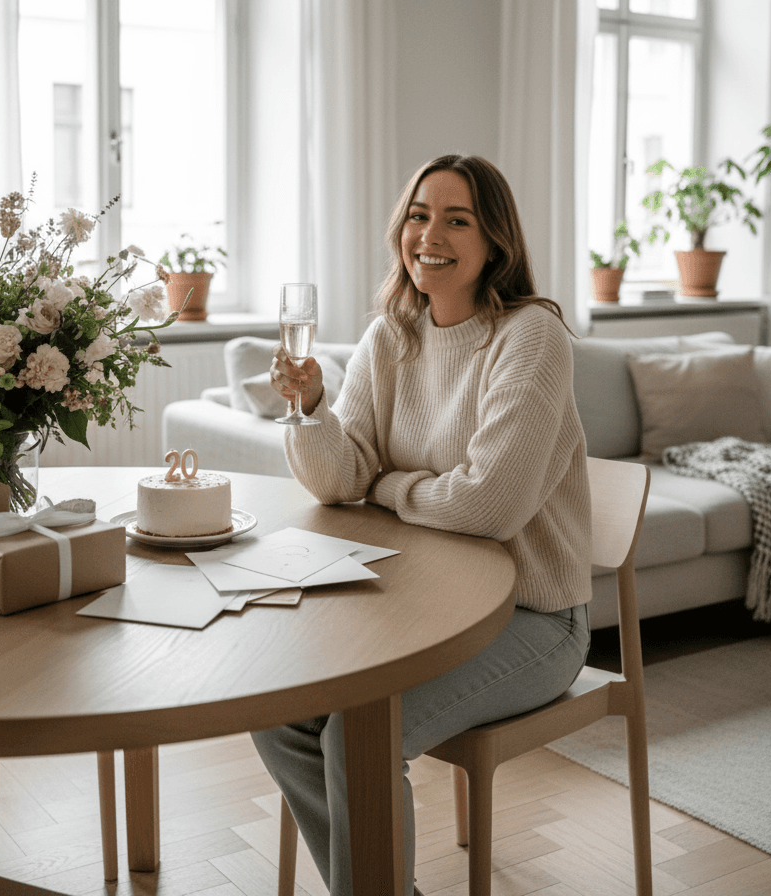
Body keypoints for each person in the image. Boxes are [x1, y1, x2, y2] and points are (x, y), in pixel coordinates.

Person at [251, 154, 592, 896]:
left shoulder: (530, 337)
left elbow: (490, 506)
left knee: (358, 734)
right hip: (422, 607)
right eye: (418, 215)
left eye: (456, 220)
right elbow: (340, 479)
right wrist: (308, 408)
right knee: (278, 713)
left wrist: (388, 486)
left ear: (495, 242)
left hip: (535, 618)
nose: (429, 235)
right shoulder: (390, 336)